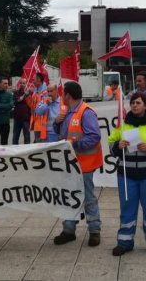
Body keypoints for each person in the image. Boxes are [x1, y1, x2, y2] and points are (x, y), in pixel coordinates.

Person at [108, 92, 146, 257]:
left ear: (145, 105)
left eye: (138, 103)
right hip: (127, 176)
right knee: (127, 209)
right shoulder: (121, 125)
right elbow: (110, 146)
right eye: (132, 103)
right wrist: (117, 146)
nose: (134, 105)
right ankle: (124, 242)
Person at [53, 81, 103, 247]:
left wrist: (74, 145)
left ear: (68, 95)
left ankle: (95, 231)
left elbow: (94, 136)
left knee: (88, 198)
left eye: (63, 94)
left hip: (84, 164)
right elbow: (61, 133)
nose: (61, 97)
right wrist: (56, 123)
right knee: (69, 197)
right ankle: (69, 230)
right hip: (69, 164)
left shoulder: (86, 112)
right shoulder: (66, 112)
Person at [27, 73, 48, 142]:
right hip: (36, 123)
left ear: (39, 80)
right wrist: (28, 97)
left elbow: (45, 108)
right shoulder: (35, 92)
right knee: (38, 142)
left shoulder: (46, 92)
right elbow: (32, 106)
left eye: (34, 80)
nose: (32, 81)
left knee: (42, 145)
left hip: (43, 124)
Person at [12, 78, 32, 144]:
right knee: (15, 136)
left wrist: (27, 94)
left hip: (26, 118)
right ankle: (14, 151)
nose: (22, 84)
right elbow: (15, 101)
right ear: (19, 84)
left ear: (26, 84)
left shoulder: (30, 93)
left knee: (27, 137)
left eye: (24, 83)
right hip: (17, 118)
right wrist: (22, 97)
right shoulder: (16, 92)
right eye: (21, 83)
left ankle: (27, 151)